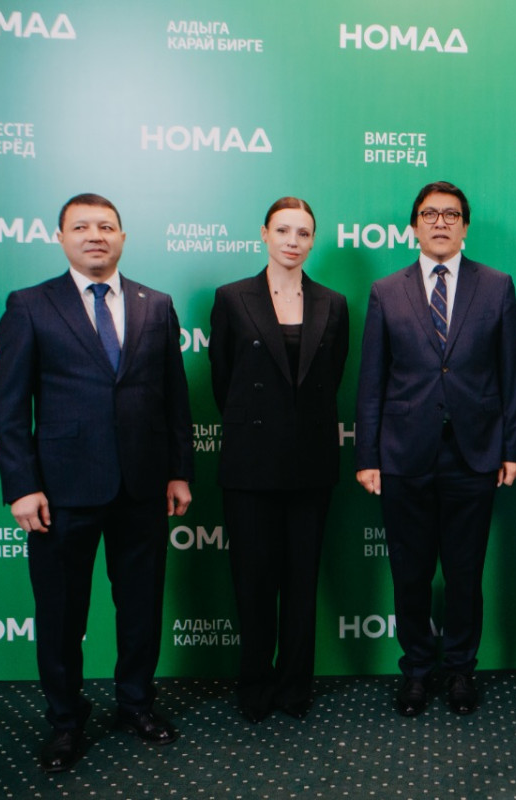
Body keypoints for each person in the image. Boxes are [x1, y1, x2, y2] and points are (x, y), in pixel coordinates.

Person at [0, 193, 193, 772]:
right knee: (61, 615)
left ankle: (136, 704)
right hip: (60, 492)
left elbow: (174, 398)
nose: (95, 235)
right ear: (61, 238)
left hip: (143, 486)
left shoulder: (157, 304)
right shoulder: (30, 305)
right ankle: (65, 720)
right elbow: (8, 406)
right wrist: (21, 485)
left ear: (123, 237)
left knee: (141, 607)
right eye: (81, 227)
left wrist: (179, 471)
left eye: (106, 226)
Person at [355, 181, 516, 717]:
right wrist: (367, 456)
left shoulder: (496, 286)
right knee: (409, 573)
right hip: (402, 454)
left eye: (451, 215)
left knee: (464, 573)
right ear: (413, 226)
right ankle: (416, 670)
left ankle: (459, 670)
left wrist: (513, 449)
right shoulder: (386, 291)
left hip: (474, 455)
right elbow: (371, 380)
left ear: (465, 227)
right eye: (429, 214)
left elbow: (512, 375)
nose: (440, 223)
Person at [208, 197, 349, 723]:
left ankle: (294, 686)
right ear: (264, 234)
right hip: (249, 464)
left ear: (313, 241)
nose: (293, 241)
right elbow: (223, 381)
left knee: (302, 582)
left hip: (311, 464)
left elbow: (331, 377)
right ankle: (255, 683)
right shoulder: (231, 297)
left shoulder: (334, 303)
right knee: (253, 581)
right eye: (283, 230)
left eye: (303, 233)